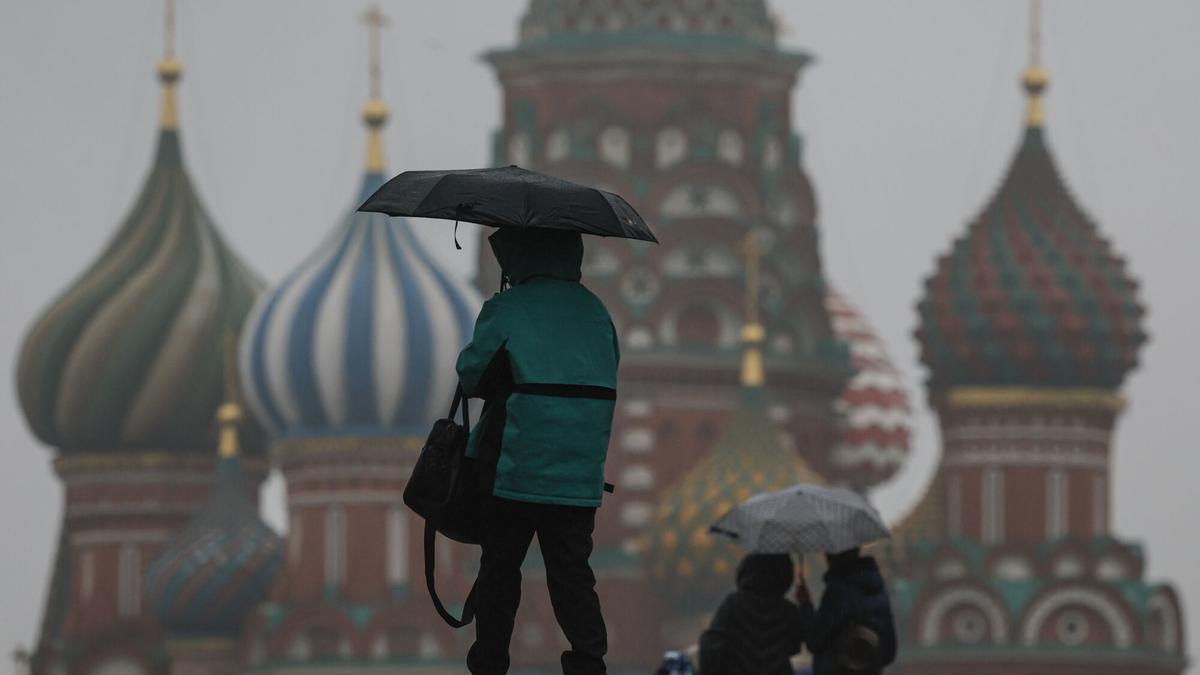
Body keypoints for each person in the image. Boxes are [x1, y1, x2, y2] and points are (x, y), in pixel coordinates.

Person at [457, 227, 619, 675]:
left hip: (517, 466)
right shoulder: (597, 312)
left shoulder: (506, 309)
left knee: (500, 571)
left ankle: (489, 663)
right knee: (572, 575)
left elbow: (471, 376)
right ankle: (589, 663)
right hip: (579, 476)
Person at [699, 553, 813, 675]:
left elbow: (713, 643)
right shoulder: (789, 610)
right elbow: (795, 647)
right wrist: (805, 604)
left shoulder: (733, 604)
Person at [807, 547, 897, 675]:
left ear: (833, 557)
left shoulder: (837, 593)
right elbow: (888, 652)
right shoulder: (877, 589)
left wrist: (805, 605)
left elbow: (815, 640)